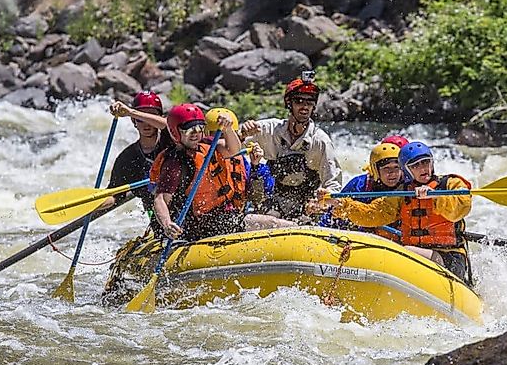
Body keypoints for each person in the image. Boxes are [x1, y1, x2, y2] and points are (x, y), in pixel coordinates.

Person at [312, 140, 473, 283]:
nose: (423, 168)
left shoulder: (451, 183)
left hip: (449, 258)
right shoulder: (402, 194)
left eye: (425, 162)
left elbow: (461, 209)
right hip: (419, 258)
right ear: (407, 170)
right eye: (415, 165)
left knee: (403, 250)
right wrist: (340, 203)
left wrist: (434, 198)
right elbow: (372, 214)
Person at [238, 71, 341, 220]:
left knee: (305, 220)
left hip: (307, 206)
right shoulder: (270, 130)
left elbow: (333, 182)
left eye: (310, 102)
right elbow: (233, 146)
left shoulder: (321, 141)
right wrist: (242, 134)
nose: (305, 106)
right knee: (263, 217)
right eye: (299, 101)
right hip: (273, 202)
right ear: (289, 104)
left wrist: (323, 202)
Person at [150, 103, 248, 243]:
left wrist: (228, 129)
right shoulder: (174, 163)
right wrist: (167, 224)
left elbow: (233, 150)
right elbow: (160, 199)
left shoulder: (207, 144)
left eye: (199, 128)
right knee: (255, 222)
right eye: (189, 130)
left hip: (214, 218)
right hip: (192, 227)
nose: (196, 134)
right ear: (175, 132)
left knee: (260, 221)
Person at [102, 91, 169, 221]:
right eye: (140, 119)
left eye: (150, 117)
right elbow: (115, 196)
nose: (146, 123)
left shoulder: (171, 142)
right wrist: (94, 203)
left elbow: (168, 126)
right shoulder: (127, 158)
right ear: (134, 121)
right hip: (158, 221)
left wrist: (131, 112)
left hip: (188, 211)